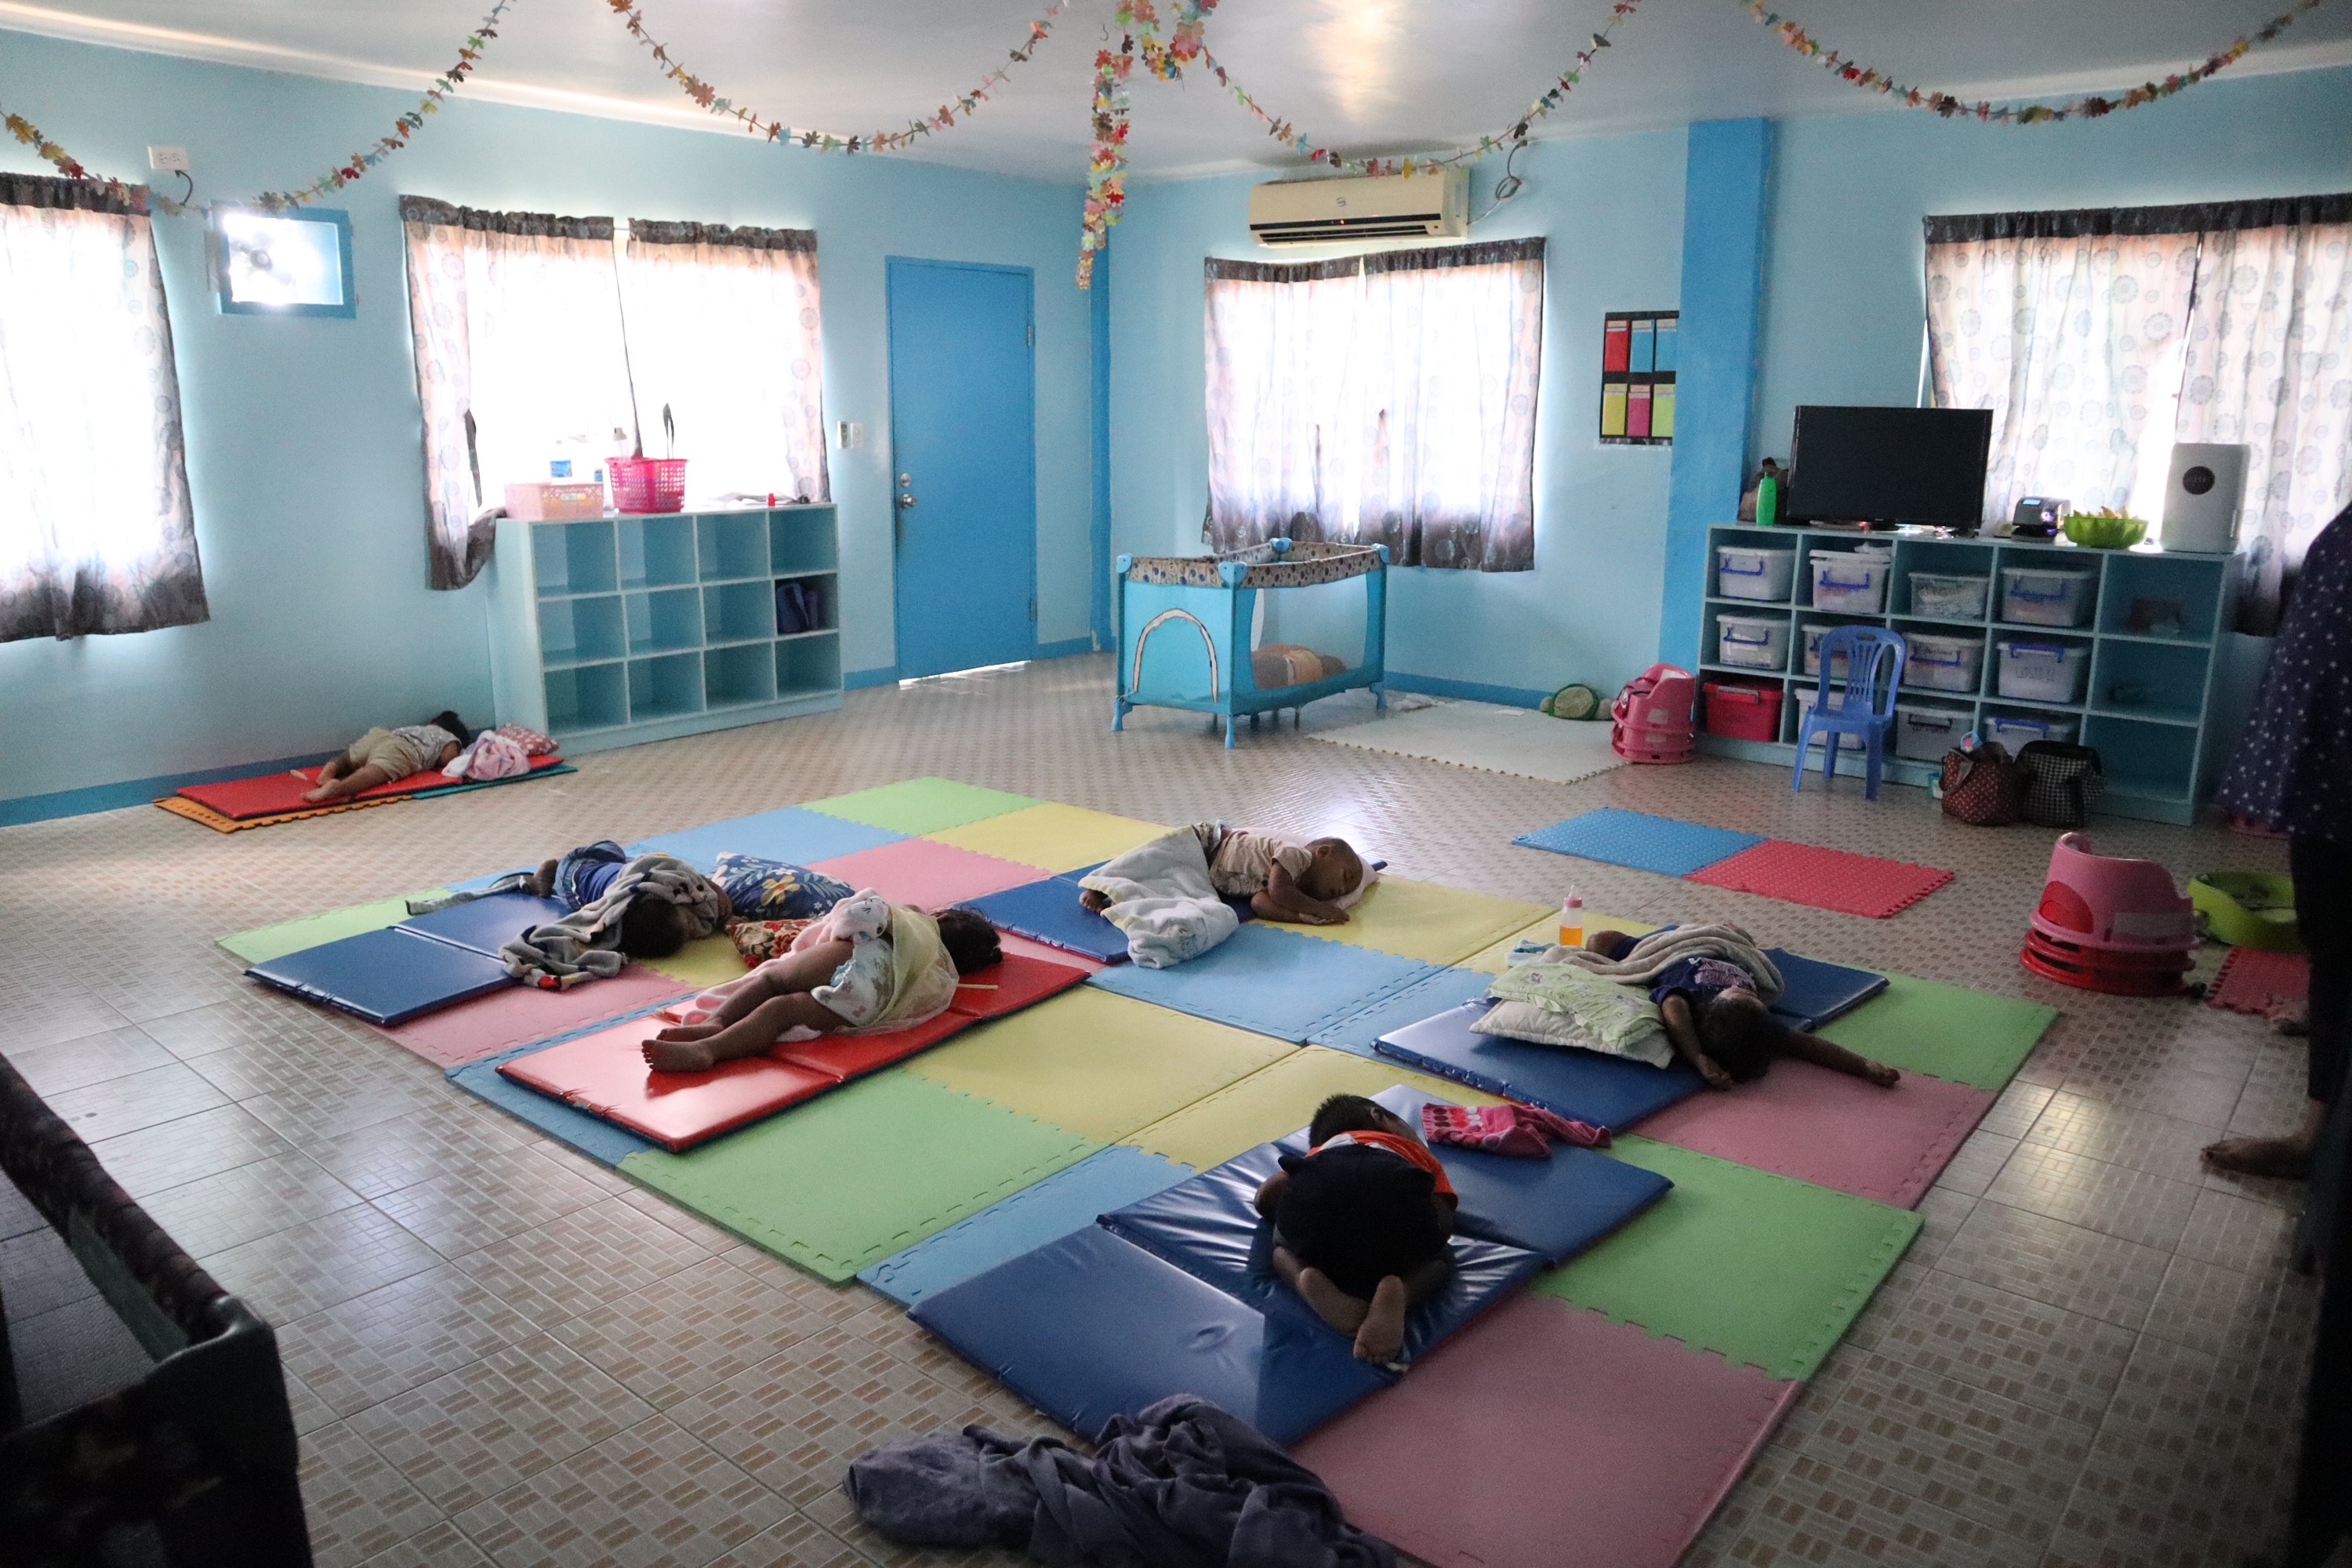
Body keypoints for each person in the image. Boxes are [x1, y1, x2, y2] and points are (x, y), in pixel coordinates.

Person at [2205, 503, 2352, 1181]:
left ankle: (2314, 1137)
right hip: (2326, 761)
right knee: (2329, 931)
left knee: (2337, 935)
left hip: (2335, 761)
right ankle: (2327, 1014)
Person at [641, 893, 1001, 1073]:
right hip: (869, 996)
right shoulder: (940, 978)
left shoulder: (916, 923)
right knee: (781, 1010)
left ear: (943, 917)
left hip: (862, 960)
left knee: (772, 980)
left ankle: (716, 1027)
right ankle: (711, 1047)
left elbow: (860, 912)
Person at [1252, 1094, 1457, 1367]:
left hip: (1323, 1228)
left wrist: (1290, 1214)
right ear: (1378, 1116)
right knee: (1440, 1259)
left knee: (1281, 1251)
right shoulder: (1409, 1153)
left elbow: (1265, 1198)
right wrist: (1434, 1231)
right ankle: (1401, 1292)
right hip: (1395, 1217)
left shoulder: (1320, 1155)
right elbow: (1444, 1209)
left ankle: (1305, 1278)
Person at [1585, 929, 1900, 1090]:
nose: (1749, 990)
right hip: (1707, 942)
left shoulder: (1692, 998)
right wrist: (1864, 1066)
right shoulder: (1760, 1022)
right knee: (1734, 932)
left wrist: (1697, 1057)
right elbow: (1811, 1047)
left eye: (1742, 995)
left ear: (1715, 1005)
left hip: (1671, 953)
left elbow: (1672, 1005)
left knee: (1600, 940)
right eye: (1753, 997)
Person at [526, 844, 852, 960]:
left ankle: (560, 865)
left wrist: (715, 891)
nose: (697, 925)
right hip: (573, 883)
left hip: (589, 864)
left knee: (612, 849)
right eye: (689, 927)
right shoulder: (619, 910)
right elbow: (593, 925)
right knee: (591, 880)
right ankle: (548, 876)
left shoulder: (659, 886)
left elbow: (680, 873)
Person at [1082, 824, 1368, 926]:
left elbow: (1260, 903)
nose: (1340, 891)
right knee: (1150, 858)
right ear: (1323, 853)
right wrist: (1320, 908)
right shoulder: (1296, 856)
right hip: (1208, 844)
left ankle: (1121, 895)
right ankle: (1100, 884)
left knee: (1164, 888)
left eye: (1346, 891)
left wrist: (1303, 917)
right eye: (1344, 878)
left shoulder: (1294, 888)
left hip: (1205, 875)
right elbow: (1279, 891)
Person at [303, 711, 469, 803]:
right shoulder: (450, 738)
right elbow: (447, 759)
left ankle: (330, 770)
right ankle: (337, 789)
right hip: (403, 750)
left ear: (433, 722)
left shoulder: (421, 729)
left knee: (349, 758)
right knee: (371, 773)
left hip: (383, 735)